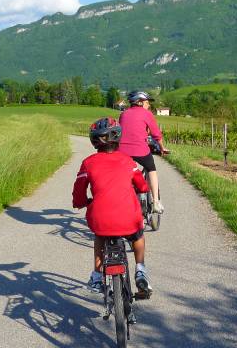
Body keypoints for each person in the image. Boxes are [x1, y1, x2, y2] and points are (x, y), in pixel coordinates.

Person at [72, 116, 153, 295]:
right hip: (129, 218)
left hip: (101, 219)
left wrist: (82, 203)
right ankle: (140, 269)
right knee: (138, 237)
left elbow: (78, 194)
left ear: (94, 141)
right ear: (118, 137)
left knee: (100, 238)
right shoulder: (128, 161)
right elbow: (142, 186)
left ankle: (97, 276)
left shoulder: (88, 163)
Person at [118, 90, 170, 213]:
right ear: (140, 102)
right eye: (147, 102)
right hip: (140, 150)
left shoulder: (123, 114)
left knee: (126, 174)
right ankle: (156, 202)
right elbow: (156, 134)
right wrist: (162, 148)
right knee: (151, 169)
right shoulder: (146, 114)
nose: (149, 105)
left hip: (122, 152)